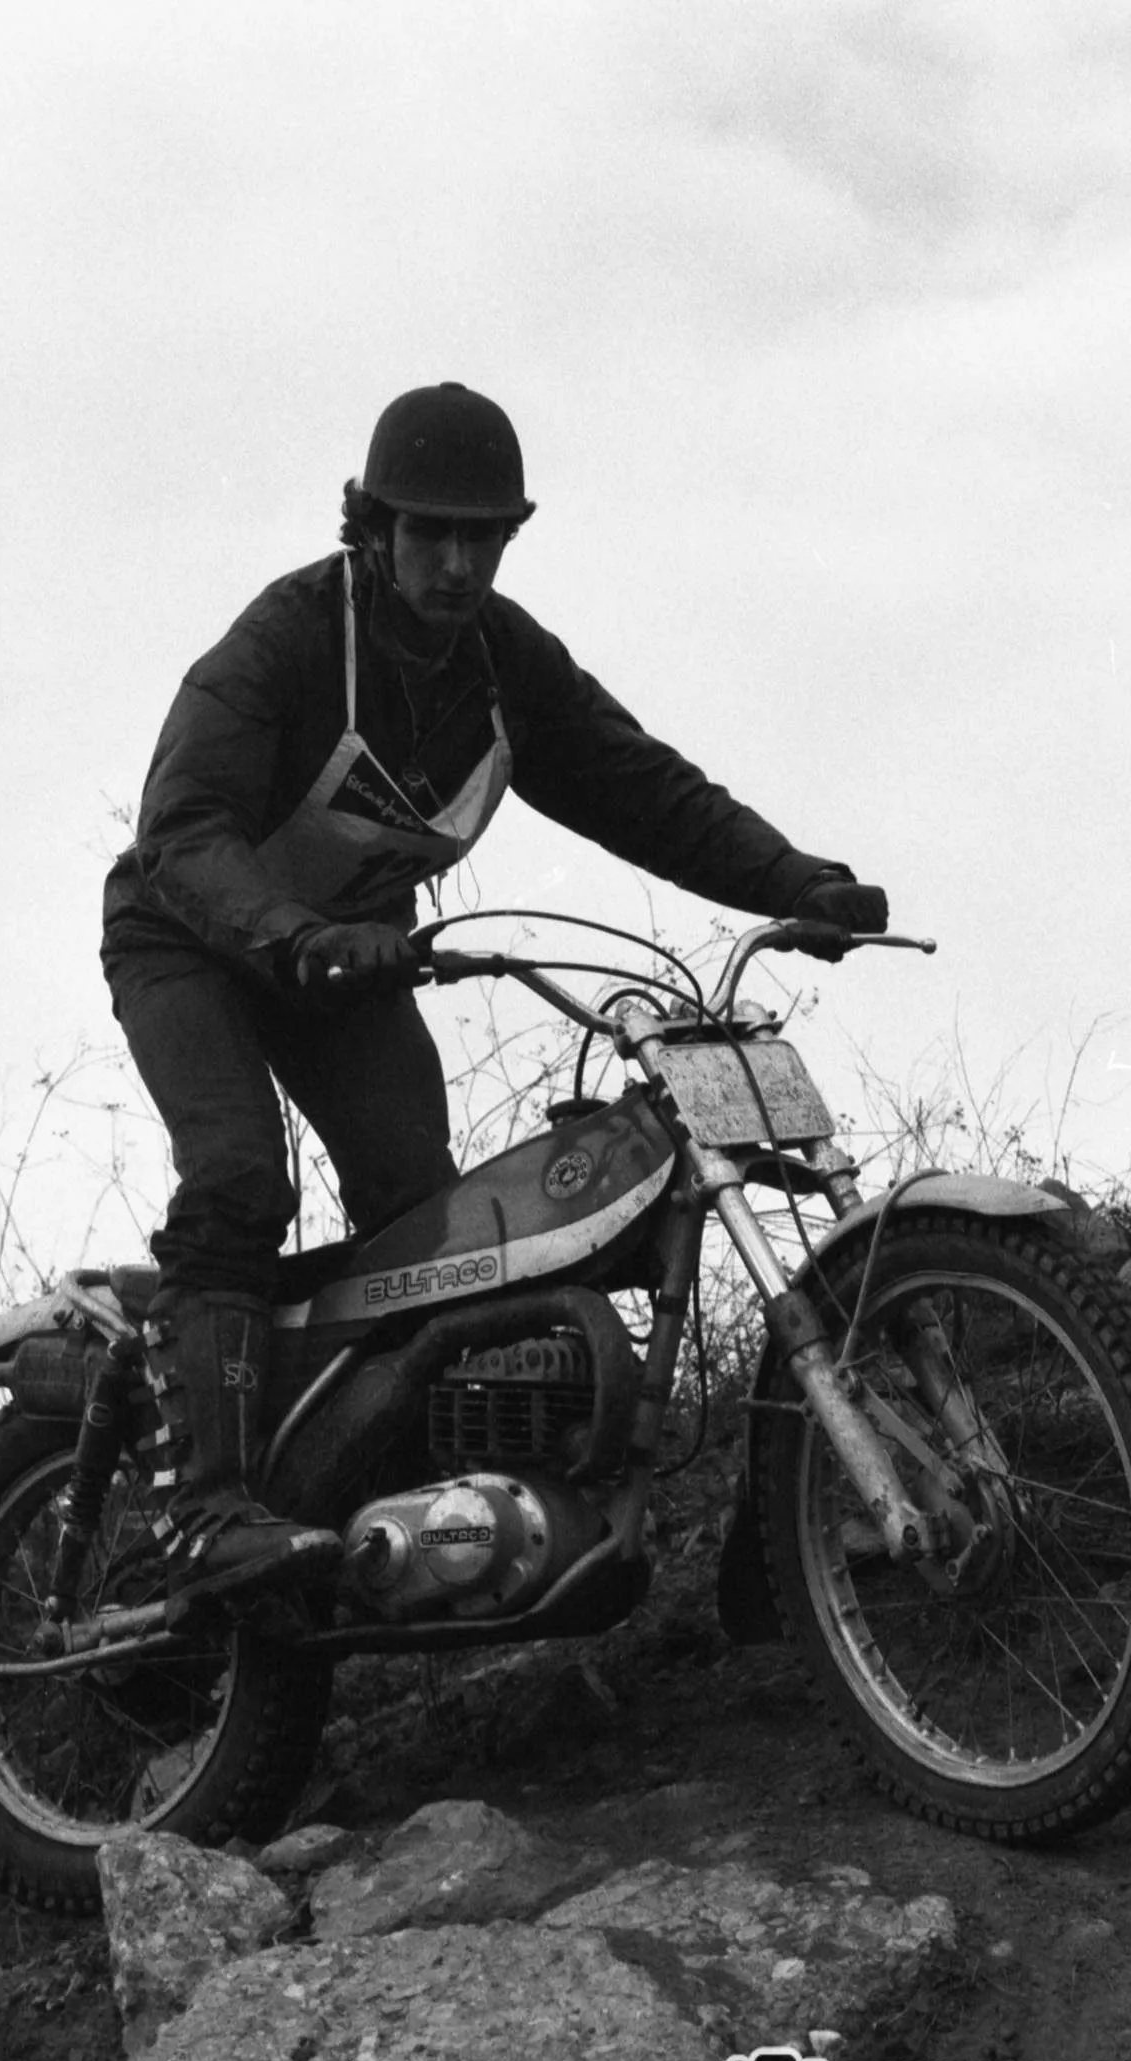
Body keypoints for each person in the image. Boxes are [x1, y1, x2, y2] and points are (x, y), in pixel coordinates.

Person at [101, 381, 889, 1605]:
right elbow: (184, 830)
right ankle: (204, 1511)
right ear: (373, 527)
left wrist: (792, 880)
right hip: (188, 941)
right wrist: (297, 937)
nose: (458, 565)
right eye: (431, 534)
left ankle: (379, 1508)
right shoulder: (287, 640)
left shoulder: (500, 663)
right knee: (240, 1173)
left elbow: (637, 785)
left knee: (424, 1226)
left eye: (485, 537)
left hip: (343, 965)